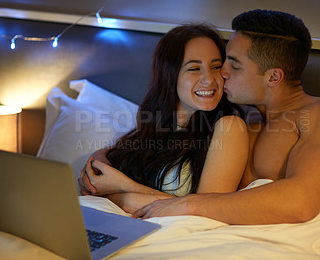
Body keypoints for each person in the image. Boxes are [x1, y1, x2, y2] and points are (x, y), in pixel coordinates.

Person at [133, 9, 320, 224]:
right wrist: (107, 157)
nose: (221, 72)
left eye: (234, 65)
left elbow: (301, 202)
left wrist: (190, 204)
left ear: (273, 77)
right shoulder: (239, 119)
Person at [79, 24, 249, 213]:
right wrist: (98, 162)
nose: (209, 79)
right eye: (194, 68)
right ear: (170, 75)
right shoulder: (155, 127)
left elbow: (205, 209)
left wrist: (125, 190)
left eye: (216, 66)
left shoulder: (229, 126)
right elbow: (113, 158)